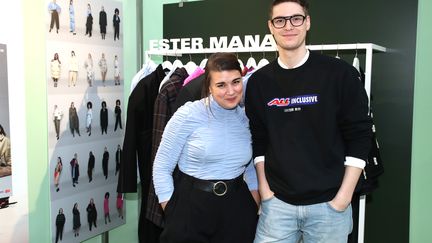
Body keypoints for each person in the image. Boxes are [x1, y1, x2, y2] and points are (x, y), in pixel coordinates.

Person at [244, 1, 372, 242]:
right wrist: (265, 192)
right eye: (280, 20)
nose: (288, 26)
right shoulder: (259, 82)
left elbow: (360, 136)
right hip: (277, 206)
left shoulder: (339, 74)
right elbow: (259, 140)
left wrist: (342, 198)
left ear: (308, 22)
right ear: (271, 27)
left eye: (296, 18)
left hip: (329, 207)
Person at [152, 52, 259, 243]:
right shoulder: (188, 114)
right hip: (191, 209)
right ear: (208, 86)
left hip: (238, 211)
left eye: (236, 82)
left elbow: (250, 168)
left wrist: (253, 203)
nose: (231, 91)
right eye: (221, 85)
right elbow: (161, 167)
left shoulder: (246, 118)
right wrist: (172, 211)